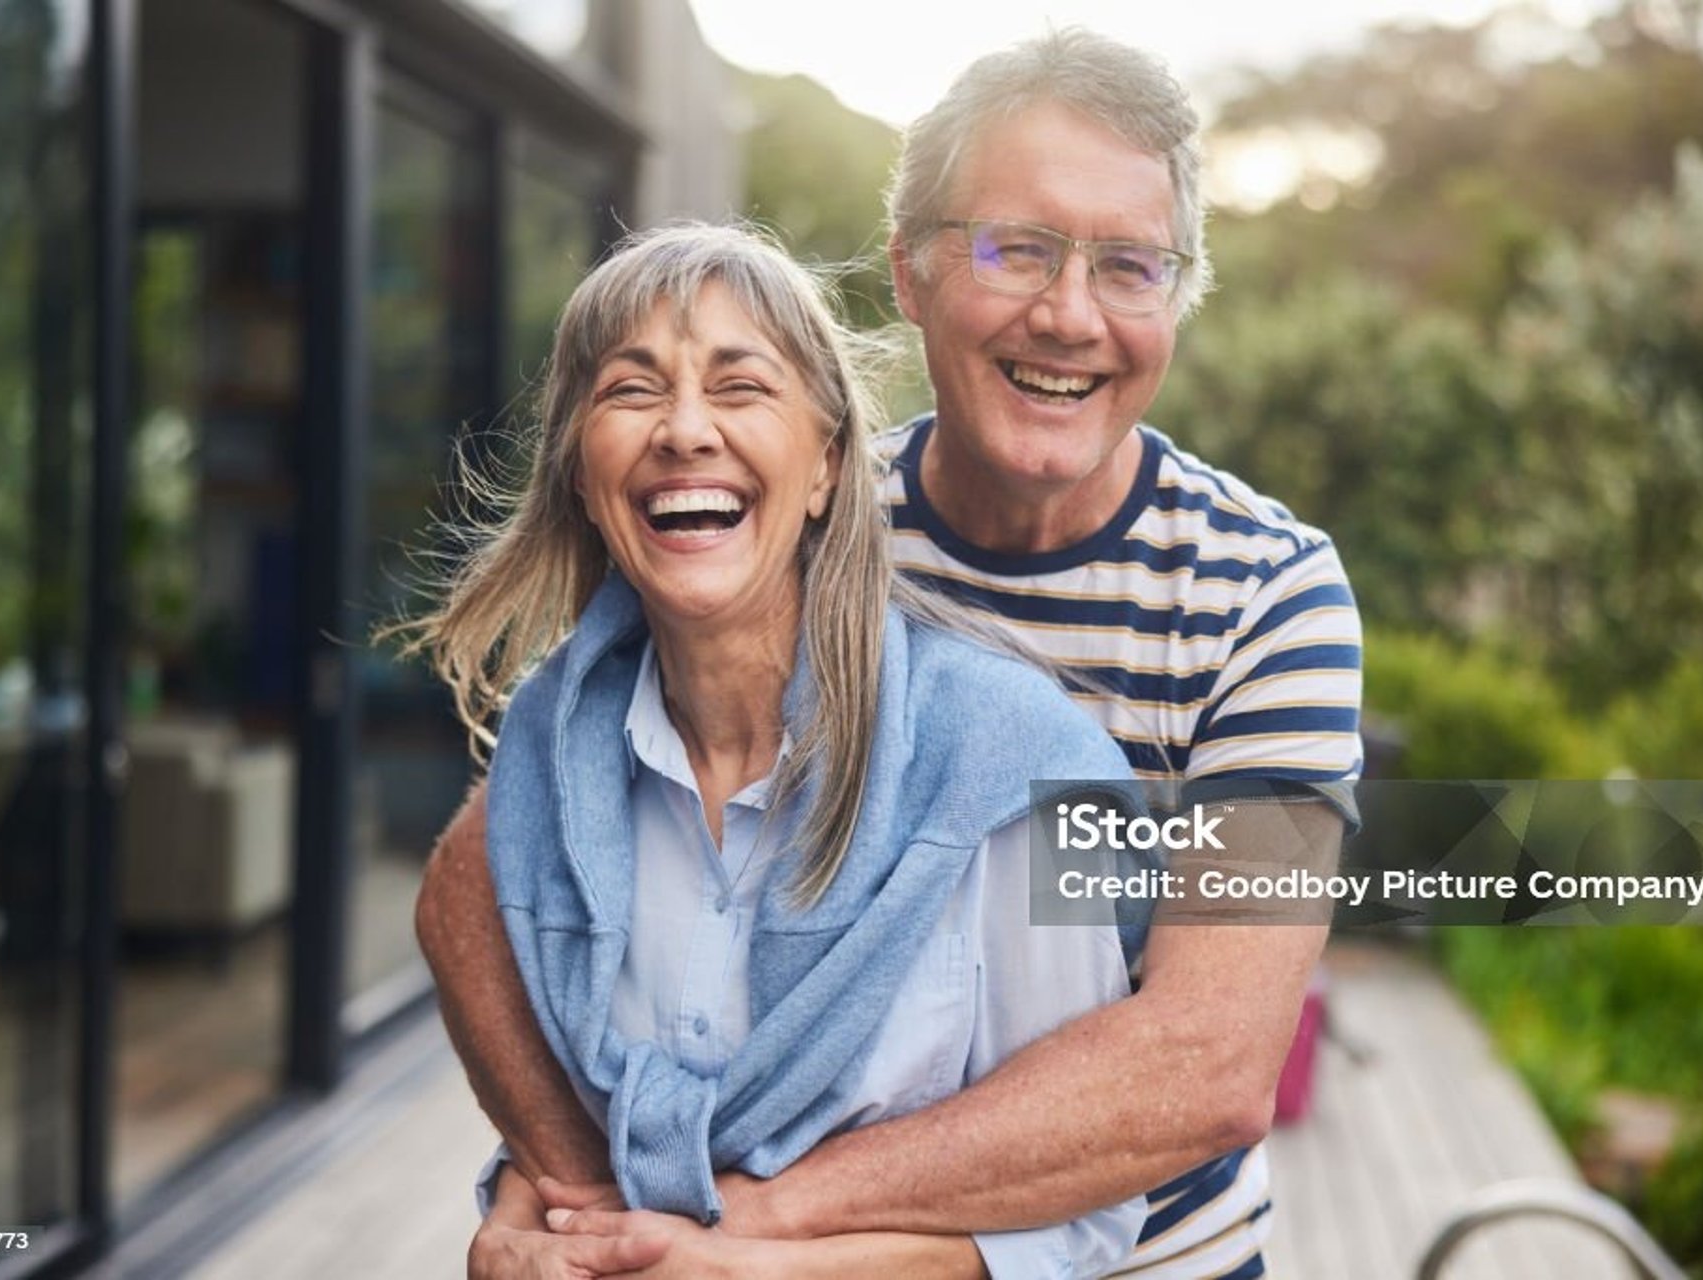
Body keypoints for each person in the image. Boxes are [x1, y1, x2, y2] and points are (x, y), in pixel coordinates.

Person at [419, 29, 1363, 1279]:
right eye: (1016, 248)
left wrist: (749, 1219)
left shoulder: (1272, 594)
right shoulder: (772, 508)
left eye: (1129, 266)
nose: (1068, 314)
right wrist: (564, 1182)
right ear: (911, 274)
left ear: (1174, 300)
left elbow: (1211, 1060)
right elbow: (493, 866)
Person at [409, 220, 1150, 1278]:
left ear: (827, 467)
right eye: (630, 390)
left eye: (740, 386)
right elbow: (586, 1119)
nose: (683, 429)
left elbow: (1085, 1214)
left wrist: (762, 1268)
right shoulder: (547, 762)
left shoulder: (1023, 767)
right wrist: (524, 1225)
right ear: (581, 473)